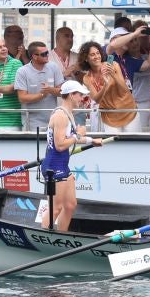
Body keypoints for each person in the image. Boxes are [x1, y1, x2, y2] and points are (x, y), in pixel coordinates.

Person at [39, 80, 102, 231]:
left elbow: (72, 137)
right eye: (80, 95)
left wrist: (92, 141)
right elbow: (60, 145)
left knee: (70, 205)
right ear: (71, 95)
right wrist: (79, 135)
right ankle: (44, 235)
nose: (82, 98)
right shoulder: (61, 116)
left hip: (61, 165)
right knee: (56, 208)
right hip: (53, 166)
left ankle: (62, 234)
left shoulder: (68, 114)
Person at [80, 40, 140, 133]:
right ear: (86, 58)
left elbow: (126, 90)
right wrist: (106, 85)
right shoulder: (87, 78)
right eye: (92, 55)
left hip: (128, 110)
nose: (96, 56)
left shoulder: (113, 65)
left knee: (134, 144)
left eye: (98, 53)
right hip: (109, 116)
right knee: (112, 145)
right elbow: (96, 99)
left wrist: (113, 75)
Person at [108, 23, 150, 130]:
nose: (128, 40)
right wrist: (134, 34)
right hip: (112, 106)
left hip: (128, 105)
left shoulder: (129, 60)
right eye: (123, 37)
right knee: (114, 139)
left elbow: (148, 64)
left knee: (134, 138)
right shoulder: (110, 57)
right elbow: (112, 46)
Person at [15, 41, 65, 131]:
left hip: (53, 119)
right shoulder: (22, 71)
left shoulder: (53, 67)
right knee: (32, 145)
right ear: (34, 56)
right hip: (31, 121)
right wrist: (41, 95)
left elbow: (62, 92)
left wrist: (50, 90)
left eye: (47, 52)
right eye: (44, 54)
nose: (47, 55)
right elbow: (22, 98)